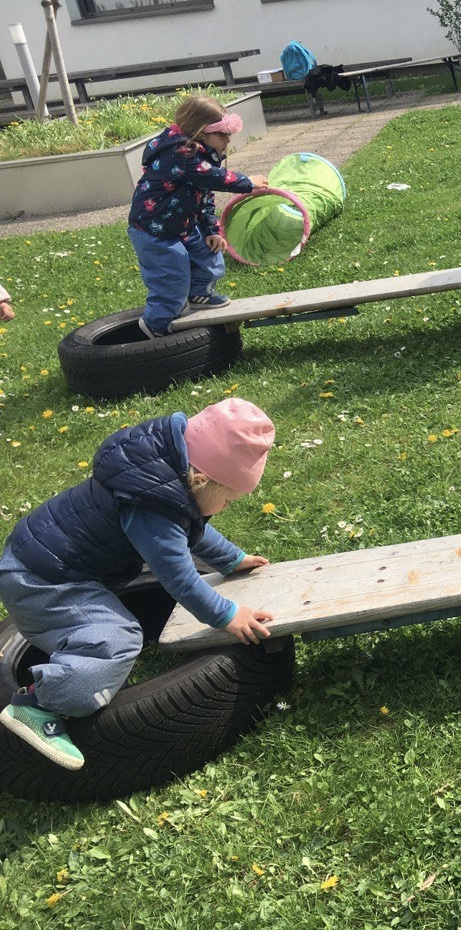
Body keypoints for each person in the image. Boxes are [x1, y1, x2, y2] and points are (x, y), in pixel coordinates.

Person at [0, 397, 276, 770]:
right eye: (228, 499)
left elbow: (189, 531)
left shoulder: (156, 479)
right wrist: (226, 614)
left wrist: (232, 559)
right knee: (119, 638)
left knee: (111, 624)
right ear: (202, 480)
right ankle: (39, 705)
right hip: (43, 582)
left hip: (46, 562)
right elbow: (178, 574)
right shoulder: (151, 508)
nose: (227, 506)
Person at [128, 94, 270, 338]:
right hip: (154, 231)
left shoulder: (200, 156)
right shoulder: (179, 153)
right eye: (222, 134)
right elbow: (210, 177)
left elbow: (203, 193)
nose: (227, 141)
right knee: (172, 279)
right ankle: (156, 325)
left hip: (184, 224)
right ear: (202, 133)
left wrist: (211, 229)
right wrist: (247, 182)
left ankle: (199, 294)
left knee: (209, 255)